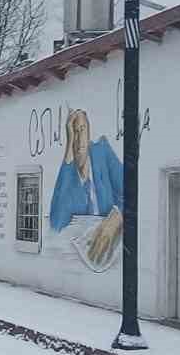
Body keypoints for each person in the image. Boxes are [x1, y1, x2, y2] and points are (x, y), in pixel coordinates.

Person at [49, 109, 124, 266]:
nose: (78, 137)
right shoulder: (69, 173)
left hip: (112, 250)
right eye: (73, 132)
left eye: (82, 129)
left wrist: (116, 217)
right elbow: (57, 221)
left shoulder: (102, 152)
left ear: (89, 131)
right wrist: (69, 148)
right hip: (77, 257)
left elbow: (132, 190)